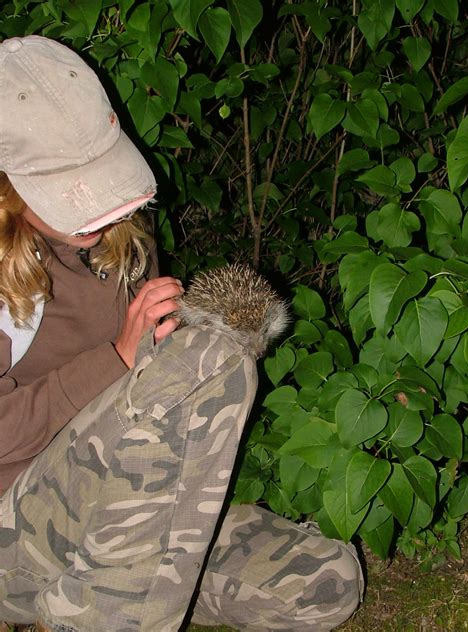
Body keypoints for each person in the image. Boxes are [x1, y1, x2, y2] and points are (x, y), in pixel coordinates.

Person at [0, 35, 363, 632]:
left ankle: (99, 601)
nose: (97, 209)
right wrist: (118, 357)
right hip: (15, 532)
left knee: (323, 583)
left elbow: (146, 407)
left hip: (115, 509)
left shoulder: (124, 245)